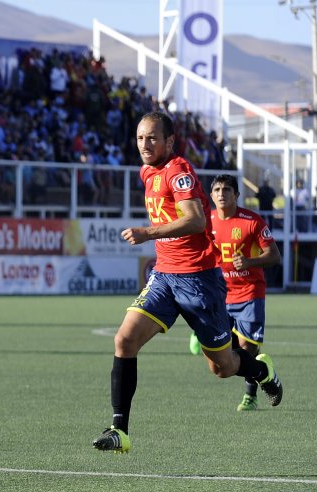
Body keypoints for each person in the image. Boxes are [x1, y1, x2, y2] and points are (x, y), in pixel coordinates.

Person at [92, 112, 284, 453]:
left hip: (199, 281)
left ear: (169, 141)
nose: (145, 144)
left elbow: (196, 221)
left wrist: (147, 232)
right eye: (139, 138)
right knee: (124, 340)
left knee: (223, 368)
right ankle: (119, 431)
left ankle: (261, 371)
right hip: (165, 277)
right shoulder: (146, 172)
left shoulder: (177, 171)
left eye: (152, 138)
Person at [189, 175, 281, 412]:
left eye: (227, 189)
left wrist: (249, 262)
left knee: (247, 349)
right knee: (222, 361)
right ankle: (200, 331)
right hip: (220, 295)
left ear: (237, 195)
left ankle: (250, 395)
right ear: (211, 195)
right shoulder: (205, 221)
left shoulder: (252, 222)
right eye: (217, 190)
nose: (222, 194)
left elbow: (274, 256)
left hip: (250, 294)